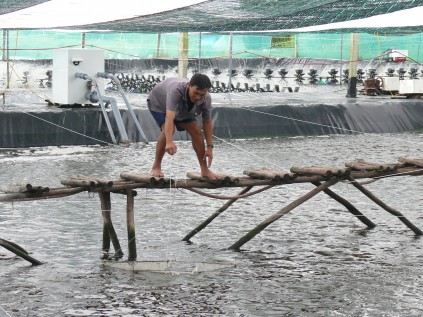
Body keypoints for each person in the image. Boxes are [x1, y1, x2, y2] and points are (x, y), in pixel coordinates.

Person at [147, 73, 218, 179]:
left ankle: (204, 170)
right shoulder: (176, 90)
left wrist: (210, 147)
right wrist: (169, 142)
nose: (198, 97)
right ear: (189, 85)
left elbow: (207, 122)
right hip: (159, 104)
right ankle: (156, 166)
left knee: (196, 131)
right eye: (196, 93)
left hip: (182, 108)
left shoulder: (206, 98)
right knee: (169, 130)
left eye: (202, 95)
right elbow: (170, 118)